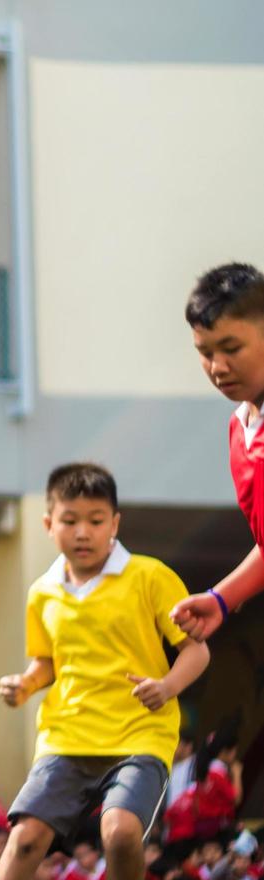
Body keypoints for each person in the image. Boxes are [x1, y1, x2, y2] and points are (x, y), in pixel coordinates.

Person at [0, 463, 211, 880]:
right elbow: (47, 662)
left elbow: (196, 650)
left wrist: (167, 686)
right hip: (66, 735)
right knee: (26, 838)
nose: (83, 532)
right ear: (48, 524)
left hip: (140, 734)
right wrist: (26, 684)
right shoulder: (43, 592)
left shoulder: (150, 576)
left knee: (121, 832)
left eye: (96, 520)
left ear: (115, 523)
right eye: (70, 519)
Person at [175, 264, 264, 638]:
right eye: (205, 352)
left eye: (231, 348)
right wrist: (223, 598)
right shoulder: (238, 429)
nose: (217, 367)